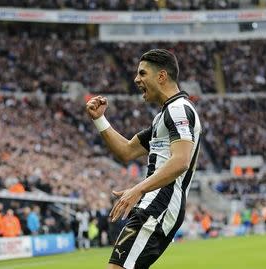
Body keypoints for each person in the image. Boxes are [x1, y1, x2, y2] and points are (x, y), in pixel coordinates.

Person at [86, 49, 201, 269]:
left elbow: (181, 161)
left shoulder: (178, 110)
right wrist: (100, 120)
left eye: (142, 73)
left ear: (161, 76)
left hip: (160, 204)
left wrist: (139, 189)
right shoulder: (164, 116)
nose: (137, 79)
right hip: (156, 204)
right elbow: (127, 151)